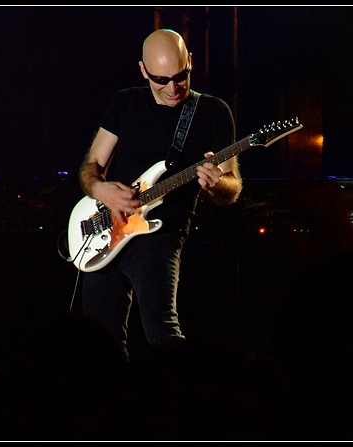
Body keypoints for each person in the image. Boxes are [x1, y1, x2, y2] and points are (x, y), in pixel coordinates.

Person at [77, 28, 243, 358]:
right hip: (107, 229)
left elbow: (232, 187)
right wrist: (101, 189)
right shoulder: (124, 102)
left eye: (180, 76)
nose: (172, 88)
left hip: (160, 236)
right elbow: (91, 166)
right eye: (160, 79)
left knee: (163, 336)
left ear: (190, 62)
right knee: (97, 345)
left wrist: (215, 184)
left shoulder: (213, 112)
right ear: (143, 70)